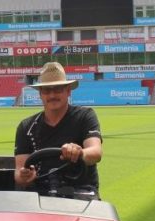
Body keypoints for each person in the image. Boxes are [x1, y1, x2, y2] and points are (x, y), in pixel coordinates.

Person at [14, 62, 103, 198]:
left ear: (68, 91)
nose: (52, 95)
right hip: (40, 194)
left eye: (57, 89)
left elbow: (96, 153)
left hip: (80, 191)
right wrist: (25, 175)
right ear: (40, 94)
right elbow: (19, 173)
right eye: (47, 90)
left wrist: (79, 153)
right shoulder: (26, 127)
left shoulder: (85, 116)